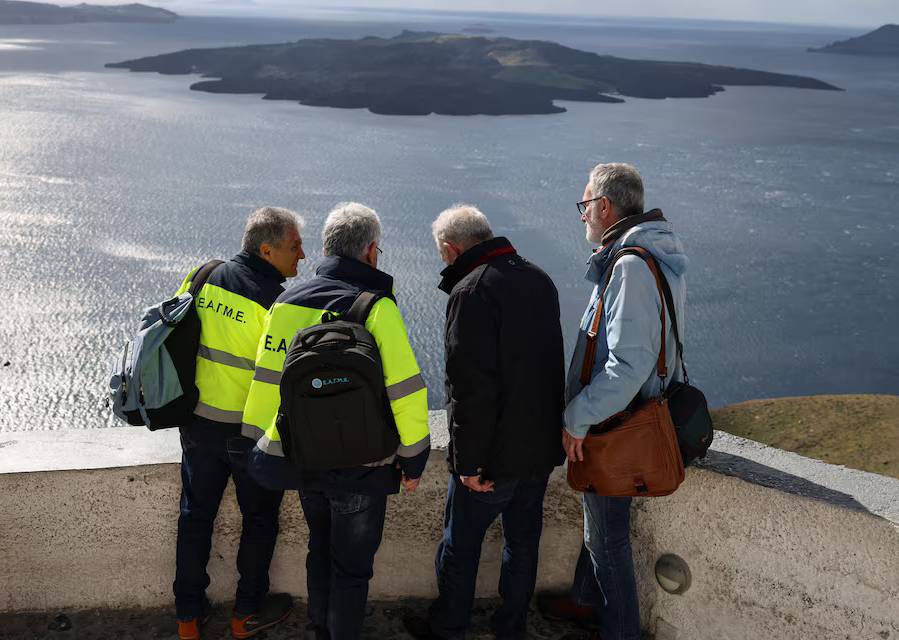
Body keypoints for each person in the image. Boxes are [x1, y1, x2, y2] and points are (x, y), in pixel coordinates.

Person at [241, 202, 430, 640]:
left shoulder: (285, 303)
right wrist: (414, 459)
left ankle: (318, 632)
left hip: (304, 459)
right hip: (363, 465)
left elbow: (267, 383)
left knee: (318, 552)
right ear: (370, 252)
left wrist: (254, 447)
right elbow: (404, 388)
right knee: (351, 570)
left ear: (327, 249)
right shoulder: (375, 306)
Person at [403, 206, 566, 640]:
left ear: (450, 249)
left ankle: (449, 628)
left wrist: (469, 463)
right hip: (539, 451)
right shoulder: (540, 279)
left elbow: (469, 388)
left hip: (491, 458)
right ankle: (509, 628)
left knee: (460, 548)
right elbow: (552, 369)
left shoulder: (471, 291)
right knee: (523, 545)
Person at [540, 163, 688, 640]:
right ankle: (585, 602)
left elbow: (627, 366)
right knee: (600, 525)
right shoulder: (651, 254)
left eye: (585, 207)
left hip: (618, 424)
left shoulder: (628, 266)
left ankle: (619, 631)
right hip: (631, 416)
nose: (583, 217)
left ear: (604, 206)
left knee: (608, 542)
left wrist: (578, 417)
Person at [173, 206, 305, 640]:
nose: (301, 255)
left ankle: (189, 619)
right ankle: (246, 614)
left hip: (195, 424)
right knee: (260, 521)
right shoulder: (278, 303)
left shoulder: (202, 275)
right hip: (247, 435)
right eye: (294, 246)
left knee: (195, 519)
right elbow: (285, 376)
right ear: (266, 250)